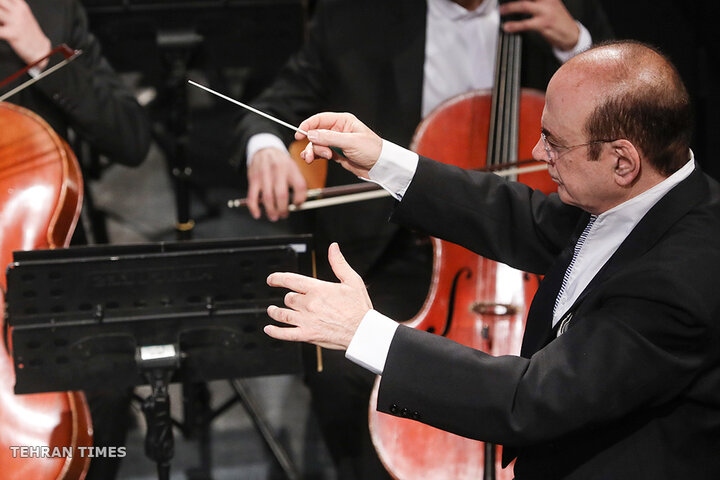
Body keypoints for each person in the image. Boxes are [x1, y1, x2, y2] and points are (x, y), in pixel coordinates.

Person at [263, 40, 720, 479]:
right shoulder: (642, 196)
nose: (539, 154)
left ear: (623, 162)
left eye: (554, 143)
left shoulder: (682, 279)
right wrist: (382, 160)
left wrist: (362, 330)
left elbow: (532, 399)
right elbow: (523, 217)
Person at [233, 0, 612, 476]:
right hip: (394, 247)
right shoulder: (354, 15)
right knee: (338, 378)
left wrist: (574, 43)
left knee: (553, 380)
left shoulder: (560, 11)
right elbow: (276, 104)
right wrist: (265, 148)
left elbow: (642, 107)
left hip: (530, 256)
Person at [1, 1, 151, 479]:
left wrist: (44, 56)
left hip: (38, 273)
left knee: (105, 386)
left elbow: (131, 137)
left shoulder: (51, 13)